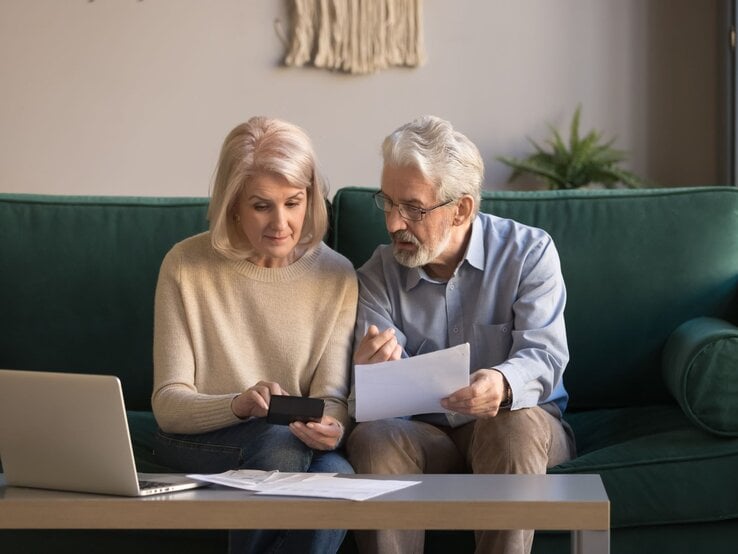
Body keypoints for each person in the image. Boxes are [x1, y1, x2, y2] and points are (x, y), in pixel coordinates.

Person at [346, 115, 576, 554]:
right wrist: (368, 375)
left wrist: (503, 384)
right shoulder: (376, 274)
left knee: (513, 423)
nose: (394, 223)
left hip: (521, 431)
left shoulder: (529, 253)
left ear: (462, 209)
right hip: (426, 437)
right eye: (388, 203)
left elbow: (545, 357)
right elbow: (371, 401)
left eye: (413, 208)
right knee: (374, 438)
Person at [152, 116, 358, 554]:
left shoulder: (338, 275)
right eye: (261, 205)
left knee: (336, 474)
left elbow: (333, 399)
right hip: (198, 437)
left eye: (294, 202)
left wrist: (333, 428)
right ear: (233, 205)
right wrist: (239, 404)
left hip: (295, 442)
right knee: (280, 444)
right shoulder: (185, 265)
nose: (281, 223)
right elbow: (169, 404)